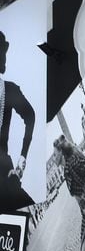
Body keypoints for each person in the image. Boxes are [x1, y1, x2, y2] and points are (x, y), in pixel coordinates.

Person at [0, 30, 35, 211]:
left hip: (6, 175)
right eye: (1, 53)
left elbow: (30, 116)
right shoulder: (9, 90)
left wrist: (23, 157)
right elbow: (30, 116)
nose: (4, 58)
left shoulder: (9, 90)